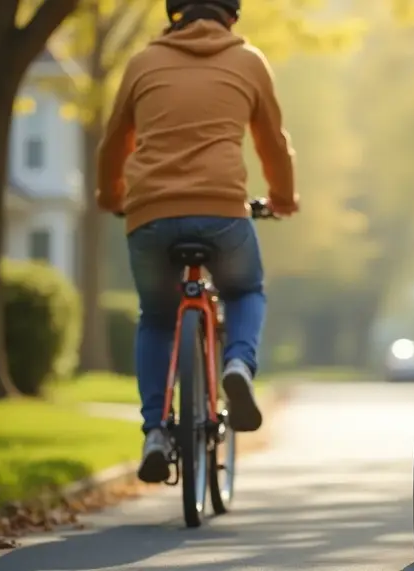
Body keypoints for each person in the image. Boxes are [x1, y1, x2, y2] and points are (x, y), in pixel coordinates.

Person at [96, 0, 298, 484]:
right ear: (232, 14)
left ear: (174, 14)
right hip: (222, 211)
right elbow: (273, 140)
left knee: (158, 317)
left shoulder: (143, 62)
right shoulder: (249, 60)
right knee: (245, 290)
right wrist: (283, 198)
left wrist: (112, 196)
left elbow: (114, 141)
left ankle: (155, 433)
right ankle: (239, 366)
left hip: (150, 215)